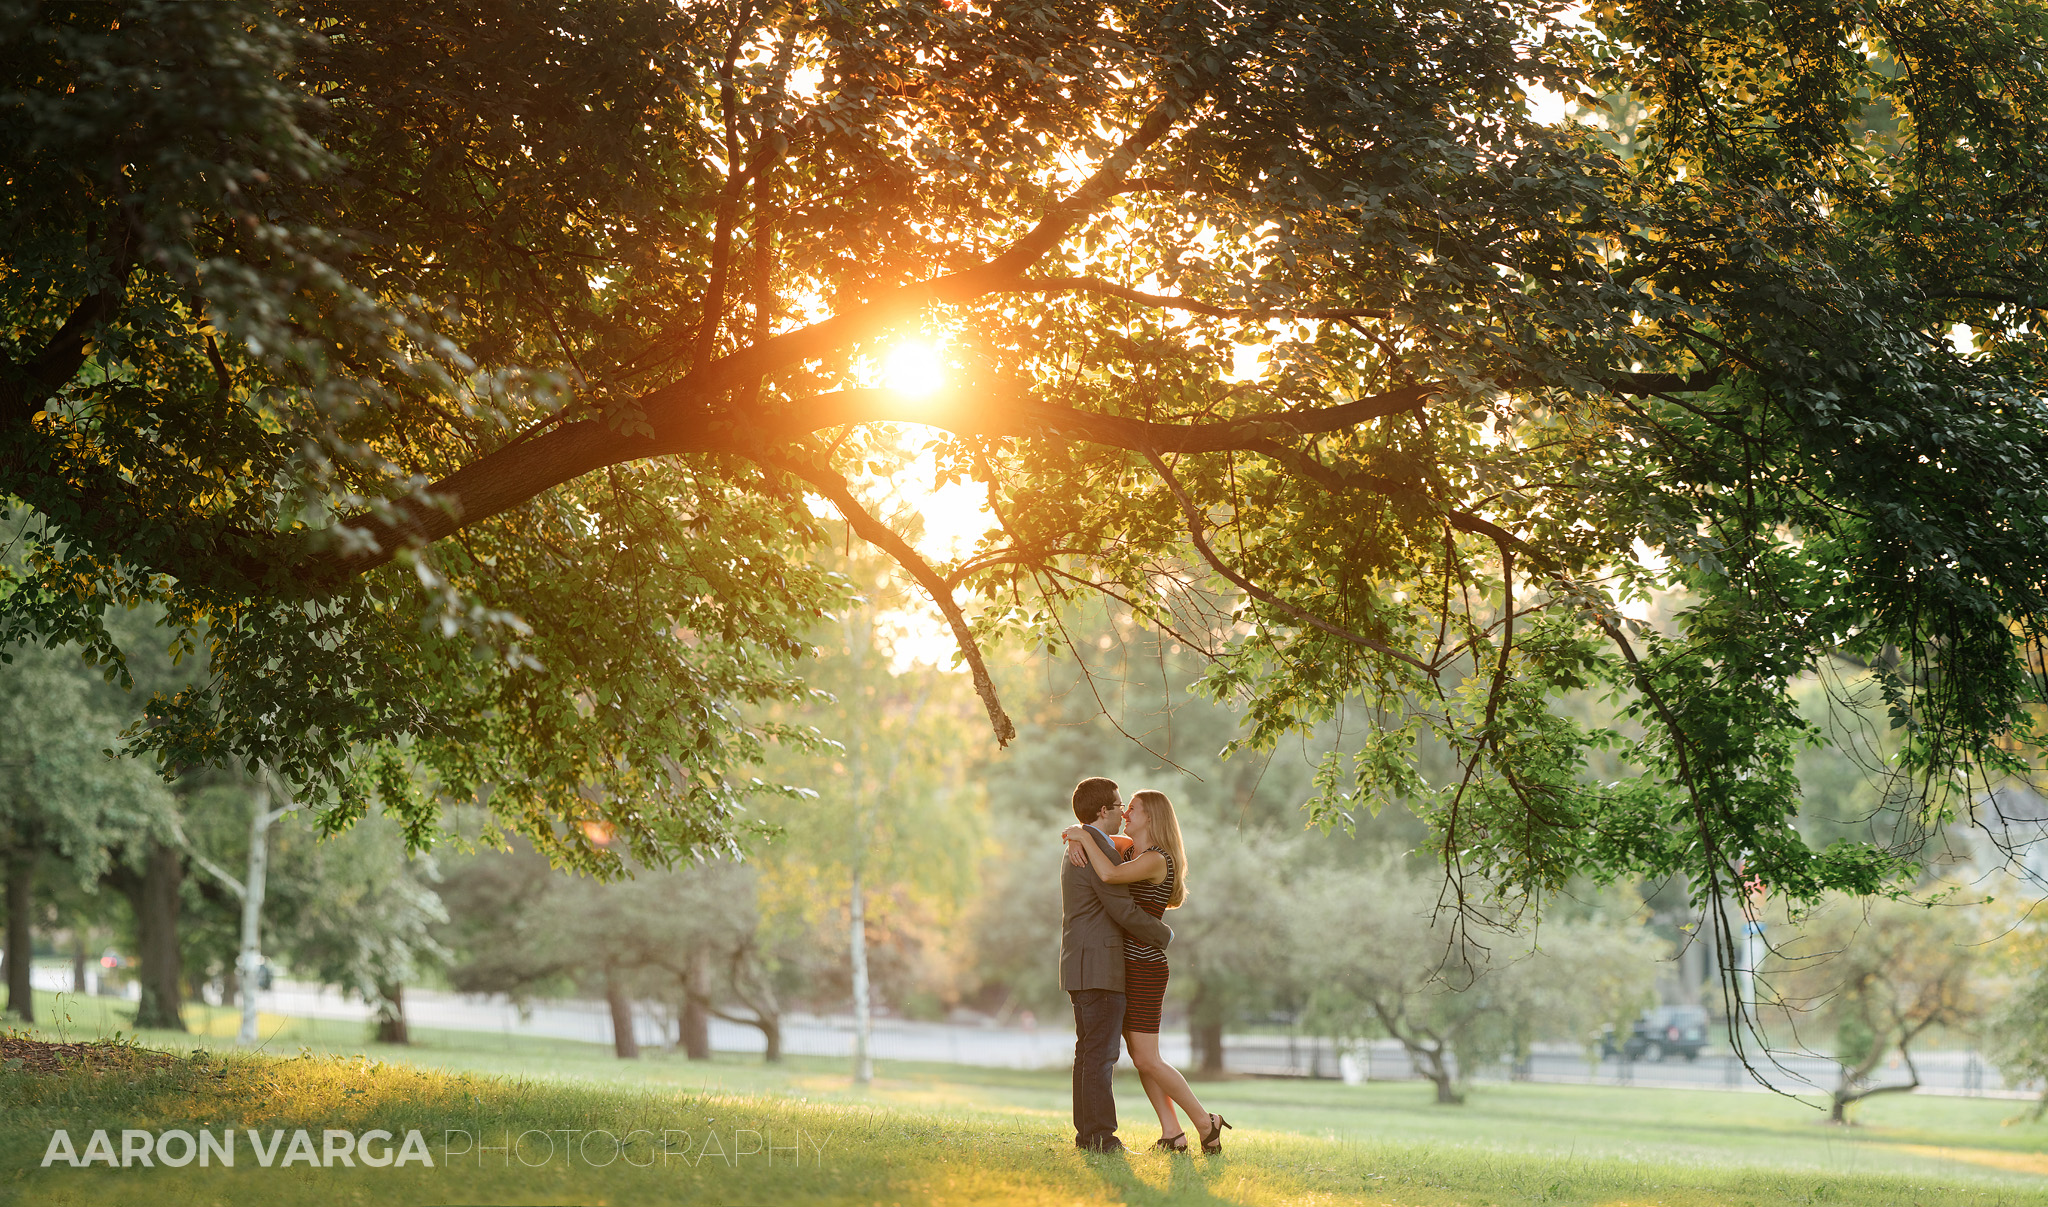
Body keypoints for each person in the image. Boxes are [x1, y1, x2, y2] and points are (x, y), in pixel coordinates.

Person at [1063, 789, 1231, 1154]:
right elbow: (1102, 838)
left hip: (1144, 965)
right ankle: (1172, 1133)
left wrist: (1081, 836)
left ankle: (1206, 1122)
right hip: (1125, 965)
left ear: (1151, 817)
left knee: (1148, 1058)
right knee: (1141, 1057)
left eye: (1133, 809)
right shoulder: (1133, 849)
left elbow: (1106, 872)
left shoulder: (1156, 859)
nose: (1126, 814)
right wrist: (1076, 832)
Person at [1059, 776, 1172, 1154]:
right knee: (1100, 1056)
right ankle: (1100, 1139)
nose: (1123, 811)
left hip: (1083, 962)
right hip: (1099, 965)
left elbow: (1123, 853)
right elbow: (1122, 908)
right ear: (1103, 811)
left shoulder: (1092, 845)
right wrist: (1164, 935)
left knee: (1089, 1053)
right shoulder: (1099, 852)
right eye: (1119, 804)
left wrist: (1078, 833)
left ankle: (1089, 1136)